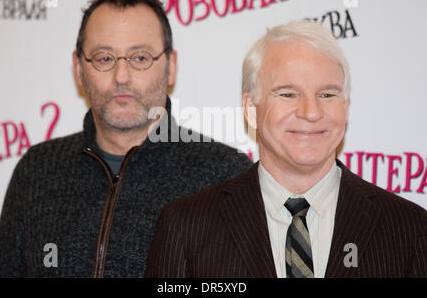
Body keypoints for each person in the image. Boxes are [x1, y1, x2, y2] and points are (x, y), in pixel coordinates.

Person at [0, 0, 252, 278]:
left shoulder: (226, 175)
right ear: (78, 68)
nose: (121, 77)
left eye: (140, 58)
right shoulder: (37, 170)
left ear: (171, 66)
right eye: (104, 58)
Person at [146, 21, 427, 278]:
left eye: (327, 94)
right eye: (288, 94)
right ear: (251, 109)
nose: (311, 112)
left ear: (346, 106)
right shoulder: (187, 227)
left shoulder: (410, 229)